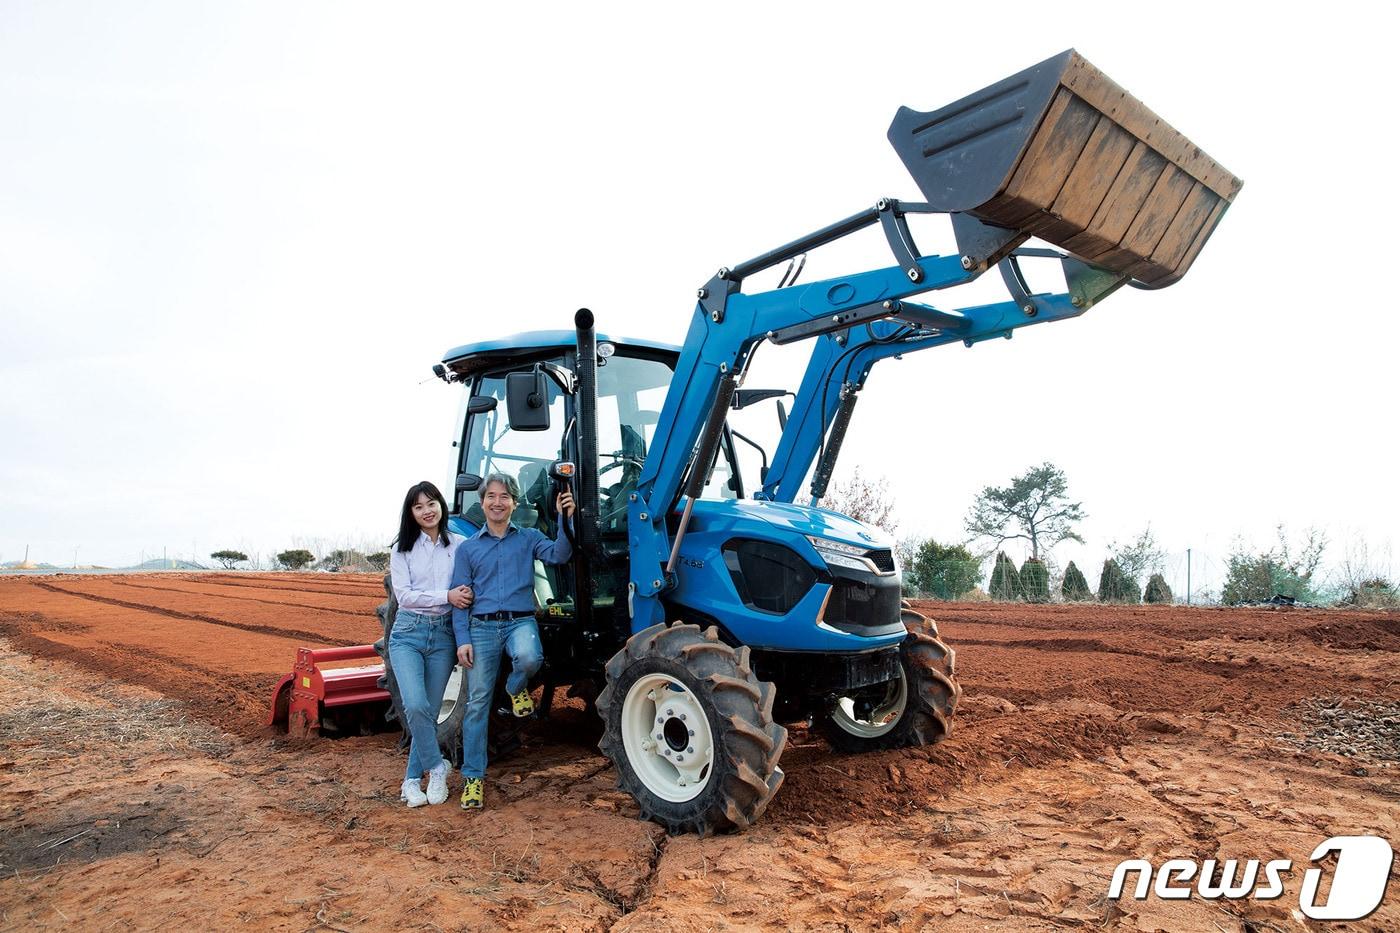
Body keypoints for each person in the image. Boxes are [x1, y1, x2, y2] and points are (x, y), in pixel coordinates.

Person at [451, 472, 574, 810]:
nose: (497, 502)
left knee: (530, 659)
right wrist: (462, 639)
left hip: (520, 621)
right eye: (491, 496)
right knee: (477, 703)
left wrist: (565, 519)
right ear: (482, 502)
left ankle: (516, 686)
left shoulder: (530, 537)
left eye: (504, 496)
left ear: (515, 503)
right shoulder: (469, 549)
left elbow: (560, 555)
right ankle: (473, 778)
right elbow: (460, 599)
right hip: (482, 626)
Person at [387, 480, 472, 808]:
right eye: (418, 506)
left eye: (431, 502)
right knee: (416, 706)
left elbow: (475, 576)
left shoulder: (461, 545)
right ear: (411, 513)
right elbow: (404, 595)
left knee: (431, 712)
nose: (427, 510)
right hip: (407, 633)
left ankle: (411, 781)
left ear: (441, 505)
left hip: (442, 636)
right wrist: (447, 596)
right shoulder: (401, 549)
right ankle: (437, 767)